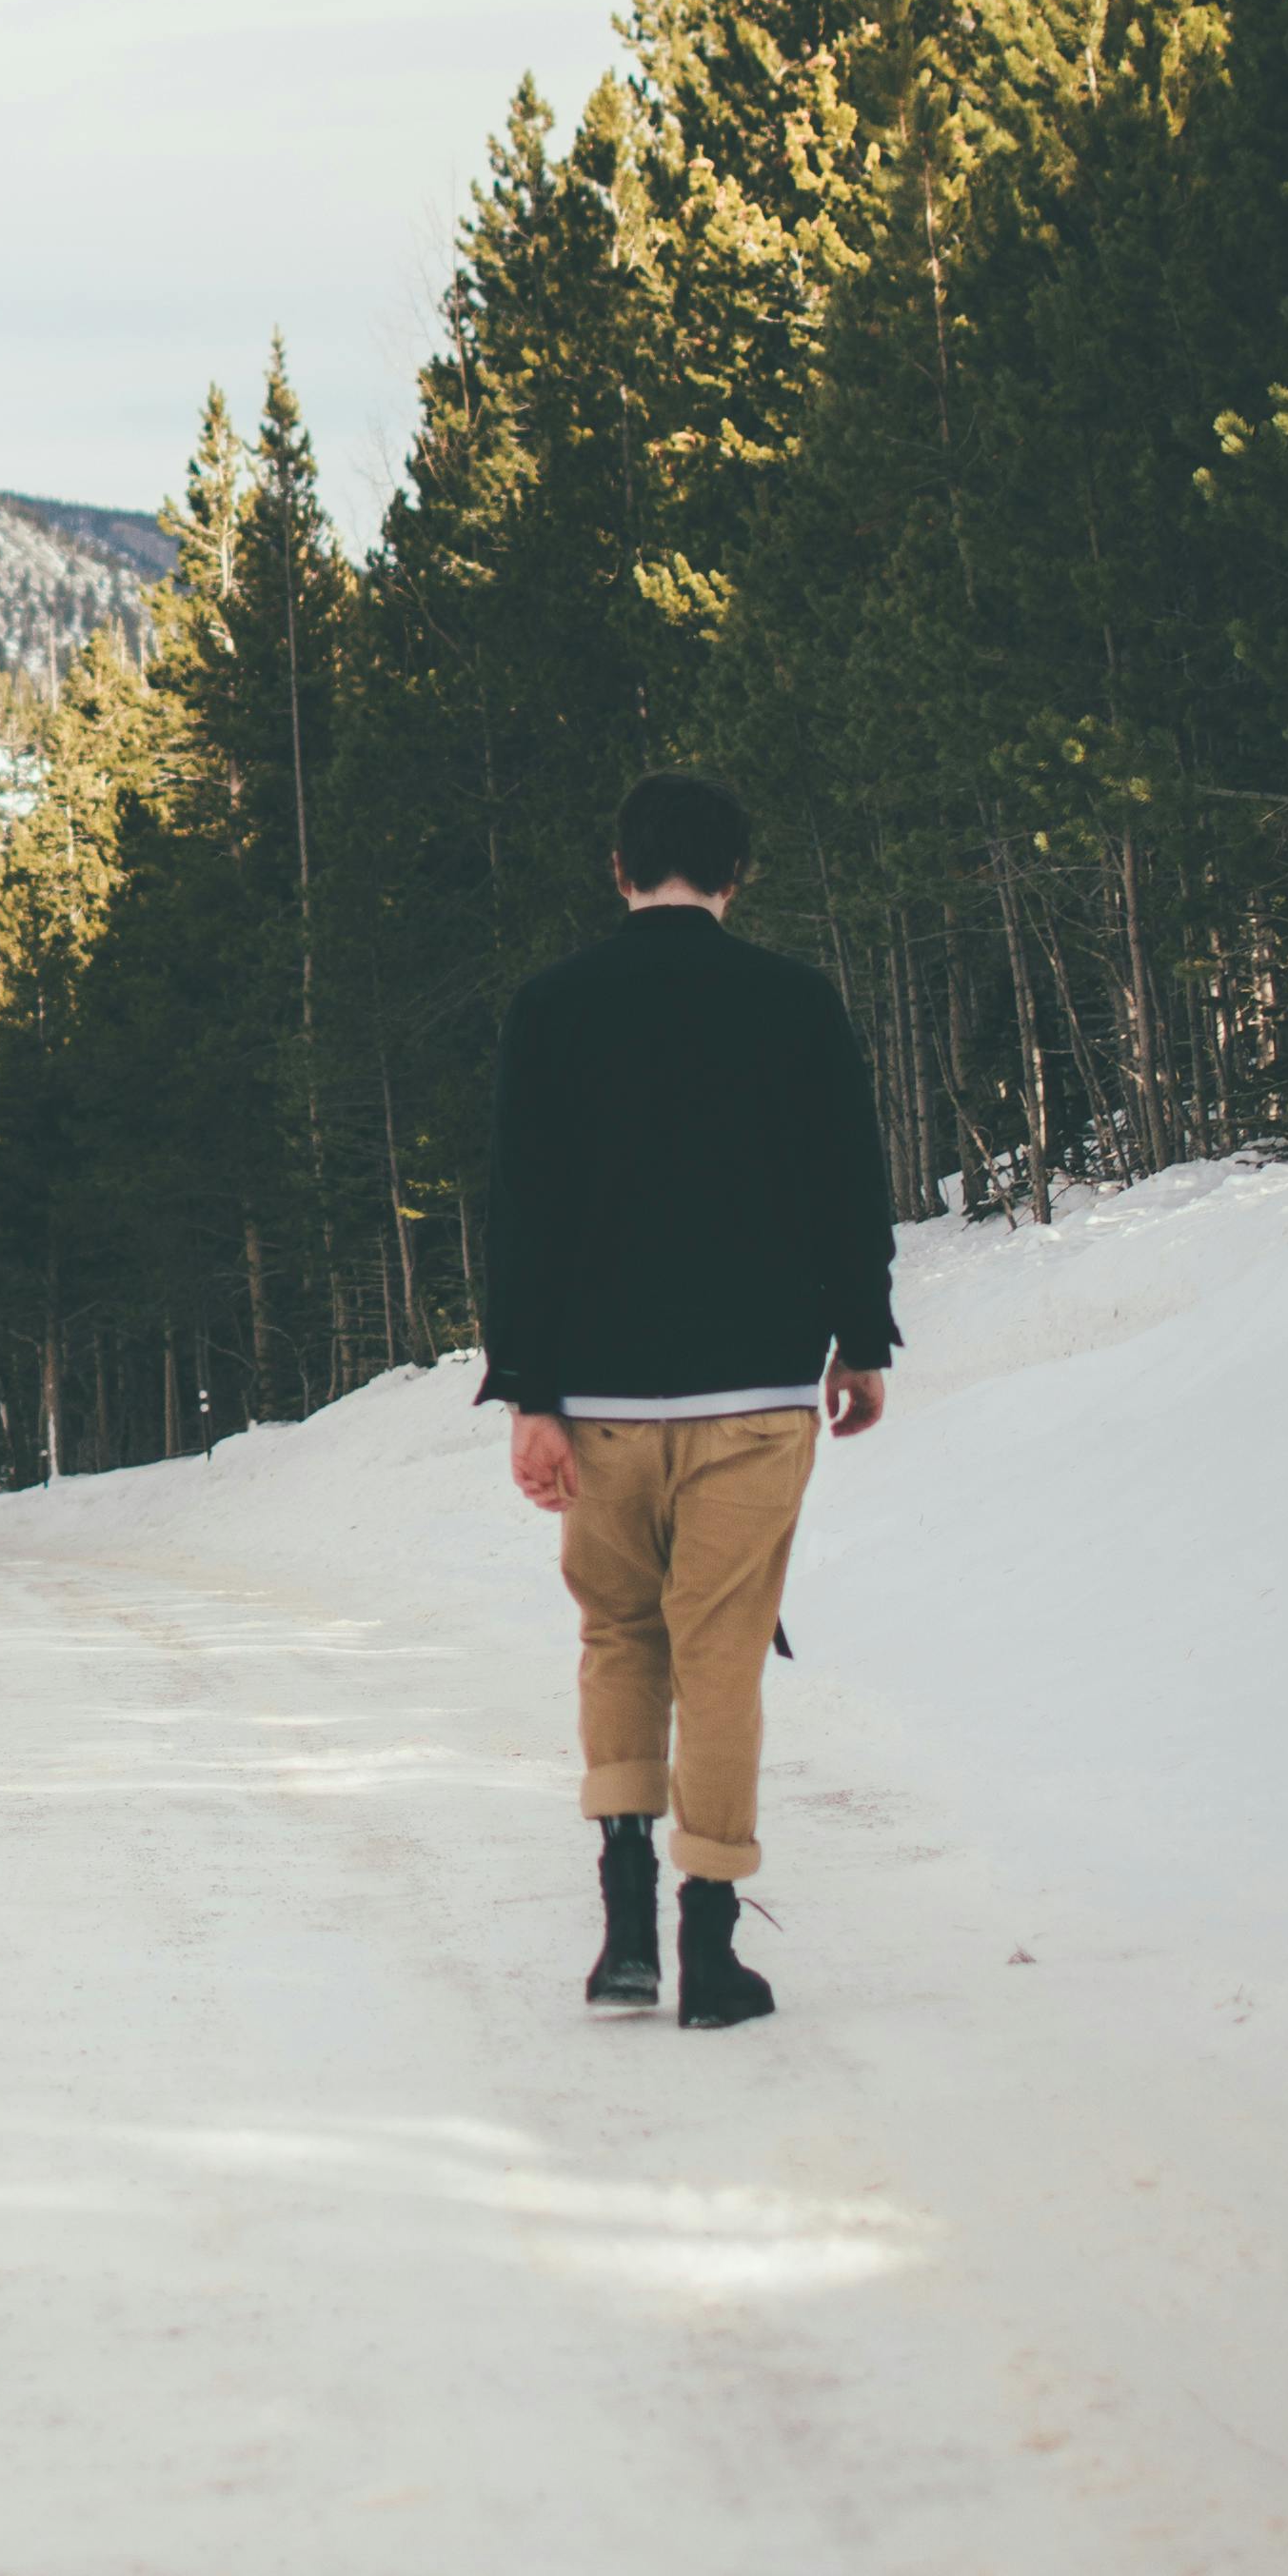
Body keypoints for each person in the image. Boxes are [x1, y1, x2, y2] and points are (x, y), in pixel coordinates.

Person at [477, 773, 898, 2029]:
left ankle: (622, 1939)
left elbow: (523, 1212)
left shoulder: (552, 1010)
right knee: (722, 1658)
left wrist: (530, 1393)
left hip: (599, 1398)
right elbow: (849, 1183)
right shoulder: (795, 1002)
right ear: (736, 875)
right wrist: (860, 1344)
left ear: (619, 870)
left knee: (619, 1639)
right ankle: (710, 1951)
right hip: (761, 1390)